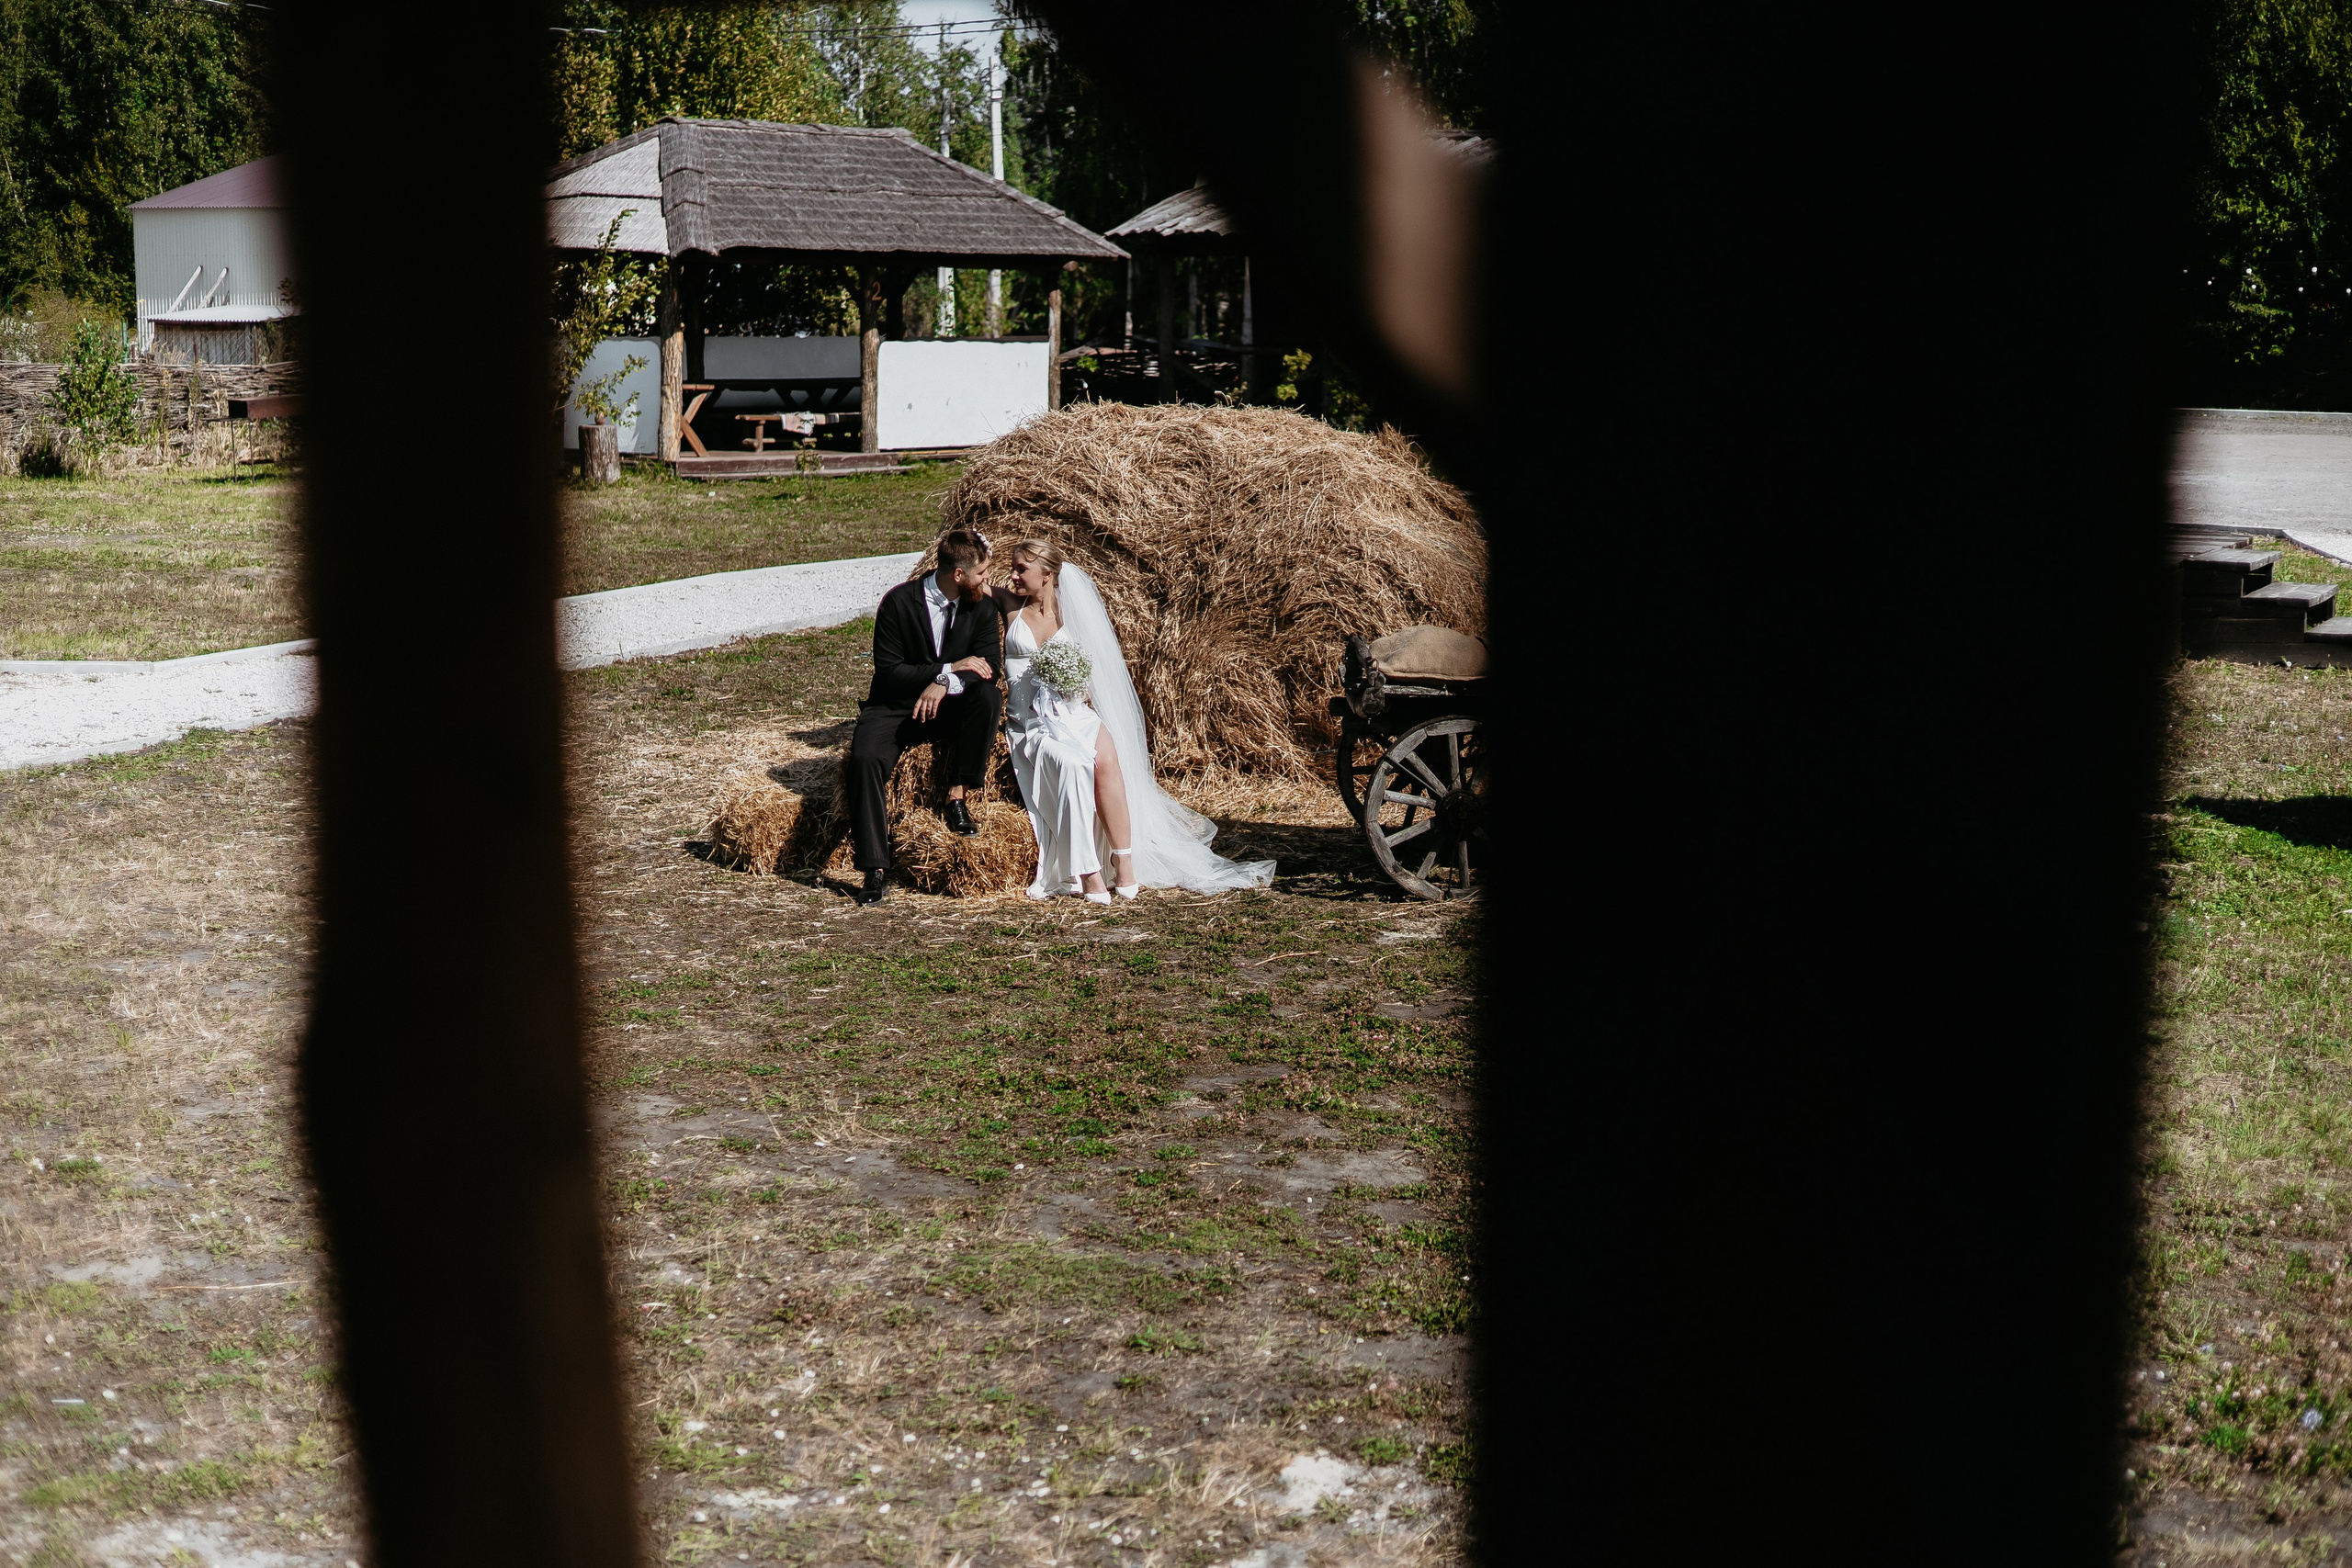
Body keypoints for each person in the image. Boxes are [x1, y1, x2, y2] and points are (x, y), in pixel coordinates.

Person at [993, 537, 1274, 899]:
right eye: (1013, 567)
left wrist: (1076, 685)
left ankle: (1123, 861)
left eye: (1021, 569)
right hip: (1033, 721)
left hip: (1074, 711)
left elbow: (1098, 668)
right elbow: (969, 579)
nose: (1012, 575)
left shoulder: (1072, 610)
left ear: (1047, 575)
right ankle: (1088, 872)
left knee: (1108, 761)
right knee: (1076, 764)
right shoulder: (1008, 604)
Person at [846, 529, 1002, 905]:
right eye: (981, 573)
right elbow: (889, 672)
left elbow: (989, 668)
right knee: (864, 759)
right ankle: (875, 867)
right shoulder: (898, 603)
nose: (987, 580)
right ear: (959, 575)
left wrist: (946, 682)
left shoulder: (981, 606)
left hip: (951, 705)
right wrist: (946, 668)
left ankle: (957, 796)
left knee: (987, 696)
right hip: (895, 705)